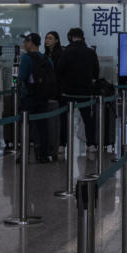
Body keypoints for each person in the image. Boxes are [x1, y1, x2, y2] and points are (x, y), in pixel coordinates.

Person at [55, 27, 100, 154]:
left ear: (70, 37)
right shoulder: (91, 52)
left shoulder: (66, 52)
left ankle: (62, 145)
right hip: (85, 91)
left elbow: (59, 69)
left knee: (64, 119)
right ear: (82, 37)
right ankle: (91, 144)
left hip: (67, 91)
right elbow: (96, 73)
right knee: (87, 119)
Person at [18, 32, 57, 163]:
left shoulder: (26, 58)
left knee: (25, 126)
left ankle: (23, 154)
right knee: (42, 126)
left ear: (31, 43)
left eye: (26, 42)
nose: (24, 44)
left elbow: (22, 77)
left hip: (29, 97)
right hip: (43, 97)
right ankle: (43, 154)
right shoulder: (47, 59)